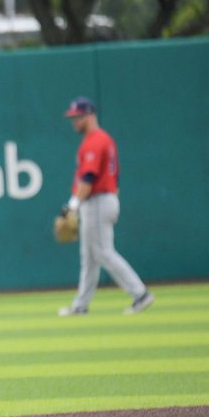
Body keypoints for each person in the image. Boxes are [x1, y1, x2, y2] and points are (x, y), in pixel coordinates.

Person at [57, 96, 155, 317]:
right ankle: (81, 305)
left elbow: (88, 177)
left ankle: (140, 294)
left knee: (102, 252)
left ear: (90, 115)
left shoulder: (95, 141)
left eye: (78, 117)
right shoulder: (104, 140)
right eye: (73, 117)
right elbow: (115, 176)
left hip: (98, 200)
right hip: (103, 199)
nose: (74, 121)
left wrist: (72, 205)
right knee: (89, 256)